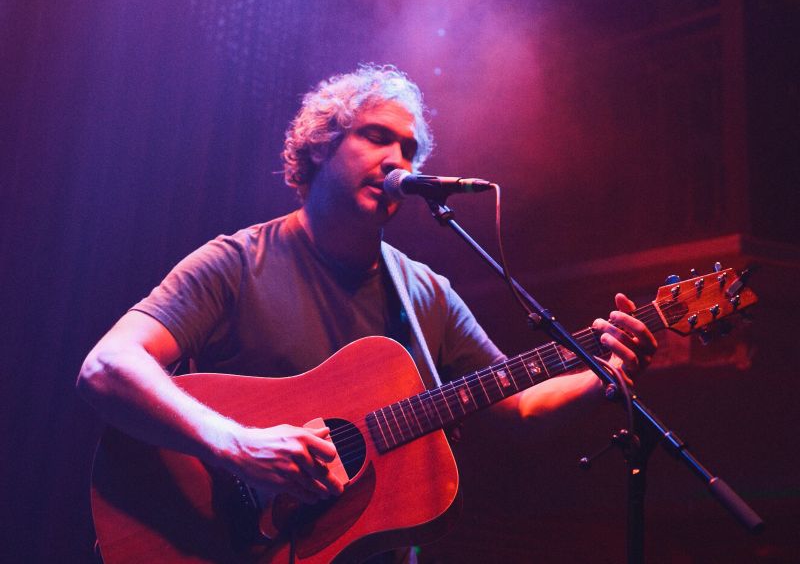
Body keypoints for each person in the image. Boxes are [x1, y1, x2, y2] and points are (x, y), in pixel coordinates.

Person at [78, 64, 657, 561]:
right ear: (320, 146)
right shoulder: (237, 263)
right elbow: (107, 366)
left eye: (409, 148)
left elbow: (519, 404)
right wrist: (238, 446)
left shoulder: (425, 292)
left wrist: (599, 374)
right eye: (377, 136)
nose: (397, 160)